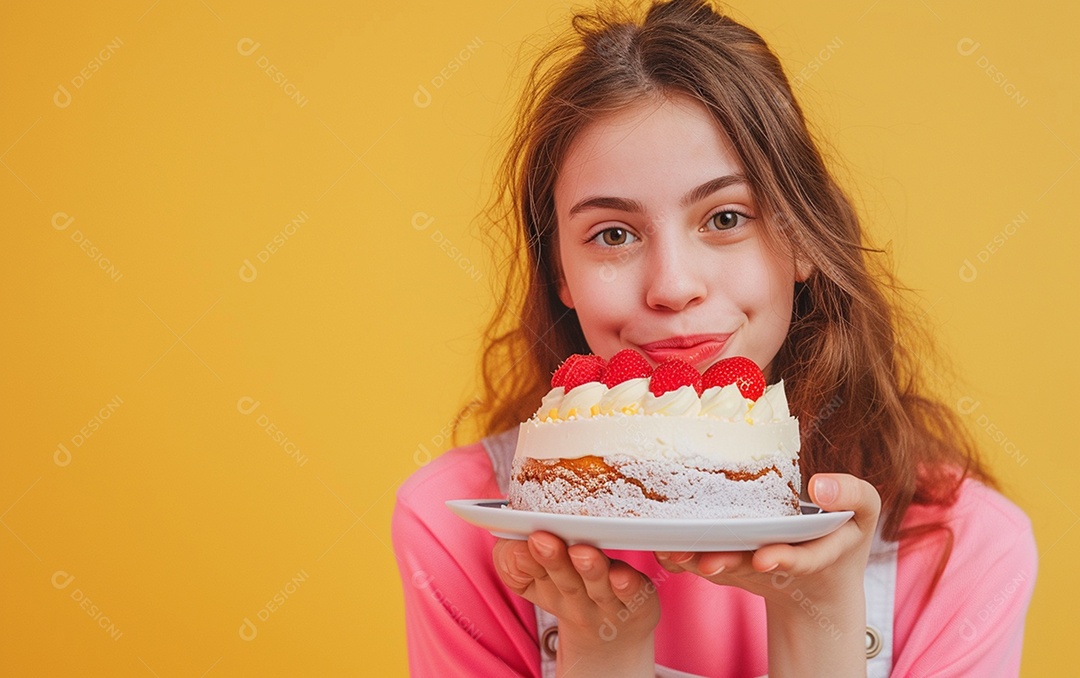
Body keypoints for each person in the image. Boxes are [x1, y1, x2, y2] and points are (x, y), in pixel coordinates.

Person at [392, 0, 1037, 675]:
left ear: (803, 240)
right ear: (561, 272)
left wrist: (818, 620)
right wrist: (601, 650)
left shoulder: (965, 547)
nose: (673, 285)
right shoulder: (458, 533)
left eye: (726, 216)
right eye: (613, 234)